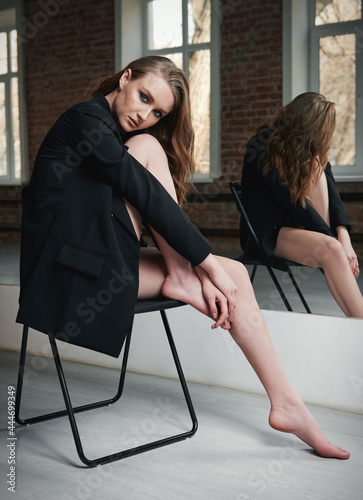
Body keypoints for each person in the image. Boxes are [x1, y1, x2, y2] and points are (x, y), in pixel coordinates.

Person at [17, 57, 349, 459]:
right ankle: (182, 274)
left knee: (237, 274)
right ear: (125, 78)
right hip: (60, 275)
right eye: (143, 97)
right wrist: (205, 263)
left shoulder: (110, 129)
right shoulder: (86, 120)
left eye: (157, 111)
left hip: (93, 259)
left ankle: (287, 404)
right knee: (148, 149)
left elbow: (133, 202)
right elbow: (144, 194)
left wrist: (211, 267)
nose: (145, 114)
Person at [240, 92, 363, 318]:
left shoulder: (311, 152)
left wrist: (343, 237)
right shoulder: (262, 144)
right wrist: (334, 243)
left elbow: (332, 194)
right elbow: (290, 201)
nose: (322, 137)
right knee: (332, 250)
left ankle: (358, 323)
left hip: (303, 225)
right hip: (267, 234)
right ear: (304, 123)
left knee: (318, 161)